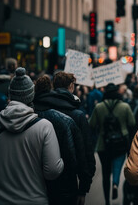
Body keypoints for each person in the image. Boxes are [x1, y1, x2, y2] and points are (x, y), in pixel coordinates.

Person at [0, 67, 64, 204]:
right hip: (34, 200)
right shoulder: (44, 126)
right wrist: (61, 161)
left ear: (10, 95)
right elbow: (52, 171)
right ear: (31, 95)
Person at [38, 71, 96, 204]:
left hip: (42, 179)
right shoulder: (78, 115)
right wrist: (83, 188)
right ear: (71, 86)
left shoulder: (42, 108)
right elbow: (86, 152)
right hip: (68, 181)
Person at [89, 83, 136, 205]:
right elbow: (132, 122)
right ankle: (115, 183)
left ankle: (106, 201)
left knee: (105, 173)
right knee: (117, 165)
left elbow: (92, 124)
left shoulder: (99, 107)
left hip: (103, 144)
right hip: (121, 142)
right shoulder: (125, 106)